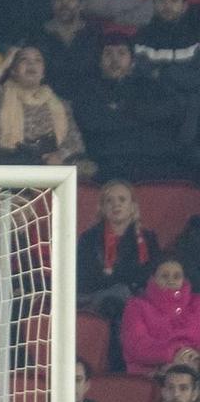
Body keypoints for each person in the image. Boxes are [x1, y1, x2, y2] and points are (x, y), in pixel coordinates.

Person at [77, 38, 187, 183]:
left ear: (132, 61)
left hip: (154, 158)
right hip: (109, 160)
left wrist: (123, 109)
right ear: (99, 61)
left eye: (121, 53)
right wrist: (143, 117)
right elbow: (93, 124)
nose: (115, 59)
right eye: (108, 54)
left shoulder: (150, 85)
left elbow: (172, 111)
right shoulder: (88, 90)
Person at [0, 44, 84, 167]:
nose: (31, 64)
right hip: (3, 171)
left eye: (37, 60)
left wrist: (59, 155)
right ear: (13, 70)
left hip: (45, 173)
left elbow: (74, 143)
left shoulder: (61, 105)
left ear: (43, 73)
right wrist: (3, 65)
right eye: (24, 60)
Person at [80, 181, 158, 322]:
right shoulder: (88, 239)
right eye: (109, 201)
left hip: (137, 299)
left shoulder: (148, 239)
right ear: (102, 208)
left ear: (133, 207)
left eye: (122, 199)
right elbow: (86, 279)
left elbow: (151, 276)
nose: (116, 204)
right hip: (98, 300)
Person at [123, 257, 200, 372]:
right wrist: (174, 354)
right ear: (153, 278)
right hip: (153, 372)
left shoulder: (197, 303)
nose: (171, 280)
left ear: (184, 279)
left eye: (177, 276)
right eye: (164, 276)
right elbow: (137, 347)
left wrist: (195, 355)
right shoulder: (137, 306)